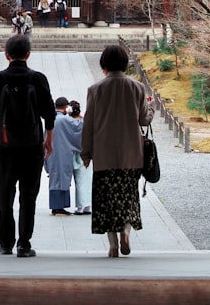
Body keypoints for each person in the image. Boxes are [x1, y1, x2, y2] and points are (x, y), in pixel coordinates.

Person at [0, 34, 55, 258]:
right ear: (28, 54)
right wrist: (49, 139)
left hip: (5, 145)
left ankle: (5, 242)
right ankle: (24, 244)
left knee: (5, 193)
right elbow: (49, 113)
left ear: (6, 54)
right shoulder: (38, 79)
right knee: (28, 195)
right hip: (32, 146)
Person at [79, 44, 151, 258]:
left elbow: (88, 124)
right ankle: (126, 232)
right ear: (124, 63)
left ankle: (112, 245)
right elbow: (144, 119)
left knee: (107, 200)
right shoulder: (137, 88)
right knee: (128, 196)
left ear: (104, 65)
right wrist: (152, 107)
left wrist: (85, 153)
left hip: (104, 154)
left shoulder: (95, 90)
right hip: (131, 153)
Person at [44, 96, 78, 215]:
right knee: (62, 179)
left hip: (51, 153)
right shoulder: (65, 120)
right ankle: (58, 206)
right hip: (62, 153)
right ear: (65, 107)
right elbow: (79, 127)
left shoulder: (51, 118)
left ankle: (57, 206)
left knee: (55, 178)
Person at [68, 100, 91, 214]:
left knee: (78, 181)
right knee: (85, 179)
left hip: (72, 153)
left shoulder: (68, 123)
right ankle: (87, 205)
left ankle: (80, 207)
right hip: (85, 153)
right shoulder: (84, 123)